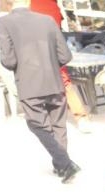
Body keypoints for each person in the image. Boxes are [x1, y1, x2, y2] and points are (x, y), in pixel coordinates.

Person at [0, 0, 80, 182]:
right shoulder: (48, 20)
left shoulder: (2, 23)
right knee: (58, 125)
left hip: (29, 83)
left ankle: (65, 164)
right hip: (54, 82)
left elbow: (9, 61)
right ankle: (61, 166)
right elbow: (65, 55)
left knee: (37, 125)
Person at [29, 0, 92, 133]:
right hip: (45, 41)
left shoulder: (40, 7)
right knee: (62, 81)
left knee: (60, 81)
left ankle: (77, 116)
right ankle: (79, 117)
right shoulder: (46, 7)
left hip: (41, 43)